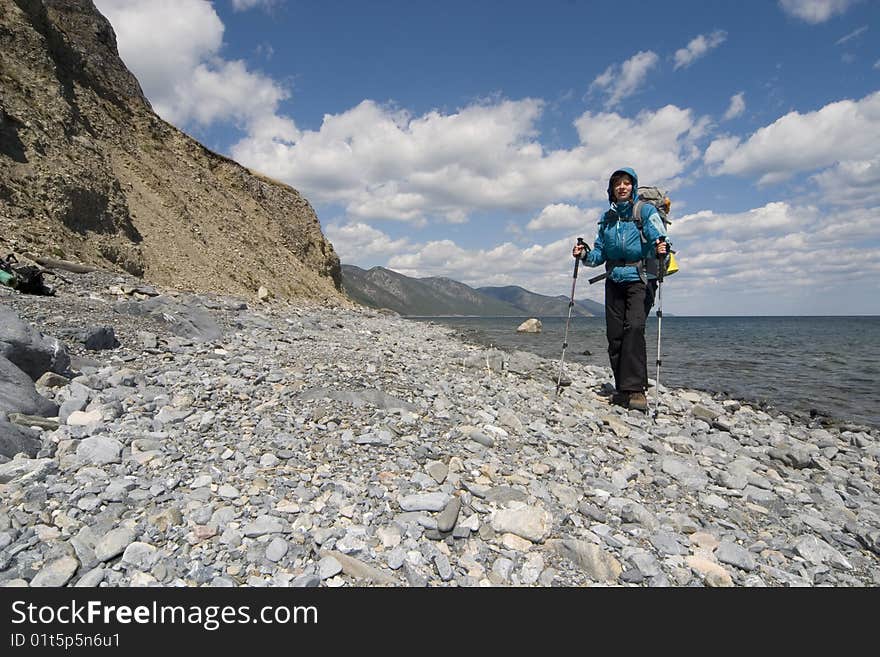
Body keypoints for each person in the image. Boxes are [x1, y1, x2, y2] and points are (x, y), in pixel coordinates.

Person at [572, 167, 667, 411]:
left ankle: (636, 391)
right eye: (617, 184)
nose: (622, 187)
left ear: (633, 187)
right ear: (611, 190)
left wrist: (661, 244)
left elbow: (658, 234)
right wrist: (584, 254)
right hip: (614, 279)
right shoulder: (607, 219)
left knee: (634, 328)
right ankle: (622, 389)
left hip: (640, 277)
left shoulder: (644, 212)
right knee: (615, 335)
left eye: (626, 183)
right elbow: (599, 255)